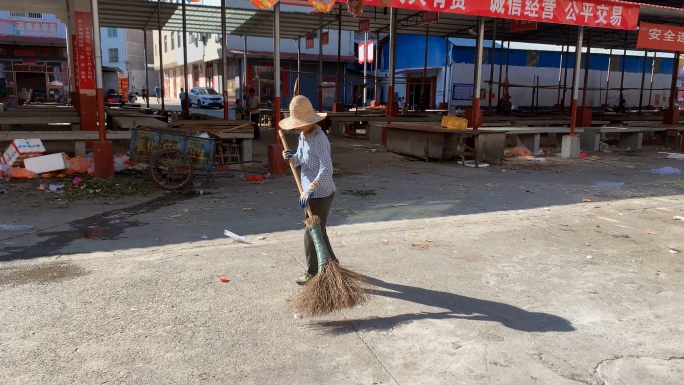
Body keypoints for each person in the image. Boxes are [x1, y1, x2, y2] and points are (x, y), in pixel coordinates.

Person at [280, 95, 338, 285]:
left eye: (300, 124)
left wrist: (310, 189)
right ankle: (333, 263)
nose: (297, 127)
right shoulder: (303, 136)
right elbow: (302, 160)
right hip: (308, 190)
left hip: (321, 193)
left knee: (311, 231)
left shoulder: (320, 139)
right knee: (319, 230)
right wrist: (291, 157)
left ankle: (312, 271)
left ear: (310, 120)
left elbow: (326, 169)